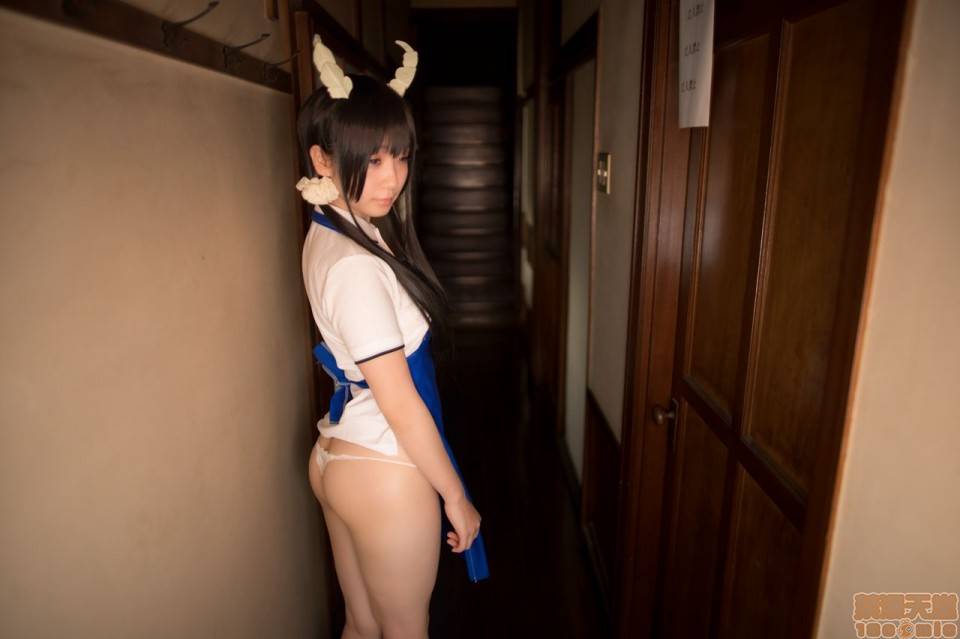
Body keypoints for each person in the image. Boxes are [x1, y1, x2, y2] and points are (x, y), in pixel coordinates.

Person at [295, 35, 486, 639]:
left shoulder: (334, 228)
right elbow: (400, 402)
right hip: (382, 469)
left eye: (399, 157)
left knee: (361, 624)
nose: (393, 177)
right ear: (323, 159)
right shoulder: (355, 264)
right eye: (373, 160)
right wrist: (455, 497)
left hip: (342, 452)